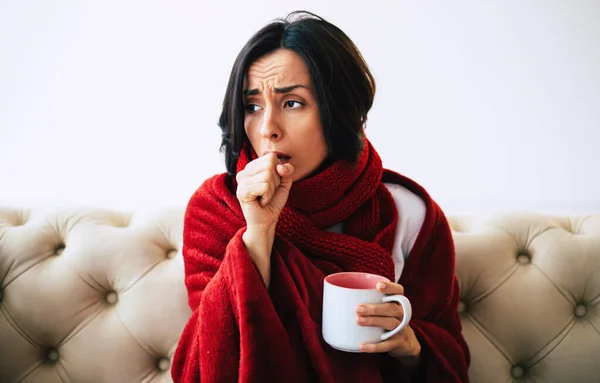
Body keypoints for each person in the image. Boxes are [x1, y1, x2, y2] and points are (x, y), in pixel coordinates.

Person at [171, 10, 470, 383]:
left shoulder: (410, 214)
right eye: (252, 106)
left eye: (292, 103)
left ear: (339, 111)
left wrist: (410, 346)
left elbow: (451, 359)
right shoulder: (216, 208)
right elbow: (206, 361)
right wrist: (257, 235)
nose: (268, 129)